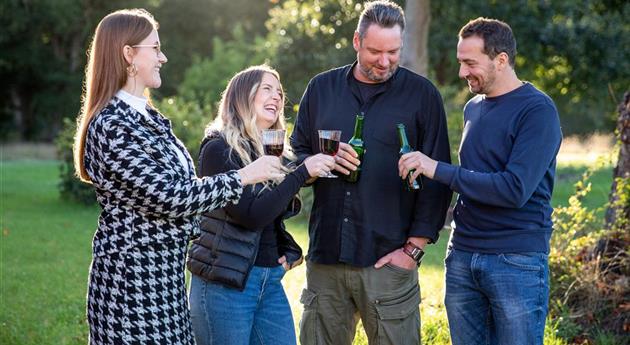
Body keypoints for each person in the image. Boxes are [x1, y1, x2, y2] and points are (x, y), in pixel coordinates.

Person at [73, 9, 284, 344]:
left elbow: (184, 191)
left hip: (168, 280)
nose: (163, 57)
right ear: (129, 54)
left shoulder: (150, 118)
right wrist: (242, 177)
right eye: (155, 48)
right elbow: (169, 196)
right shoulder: (111, 124)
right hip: (132, 283)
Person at [290, 1, 452, 344]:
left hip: (389, 260)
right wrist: (322, 161)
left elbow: (438, 182)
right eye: (375, 51)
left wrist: (413, 251)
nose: (384, 61)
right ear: (356, 42)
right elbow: (296, 156)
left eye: (393, 51)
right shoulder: (321, 89)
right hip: (326, 258)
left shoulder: (423, 96)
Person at [398, 17, 562, 345]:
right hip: (462, 255)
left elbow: (514, 189)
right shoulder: (473, 108)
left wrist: (437, 168)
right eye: (461, 62)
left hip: (515, 260)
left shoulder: (537, 111)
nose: (462, 73)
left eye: (470, 63)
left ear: (501, 60)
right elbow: (474, 177)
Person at [186, 65, 335, 345]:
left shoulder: (272, 151)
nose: (277, 97)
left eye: (279, 92)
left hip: (269, 280)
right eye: (267, 89)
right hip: (224, 283)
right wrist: (302, 172)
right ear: (242, 96)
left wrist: (287, 248)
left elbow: (271, 214)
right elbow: (250, 215)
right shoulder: (218, 150)